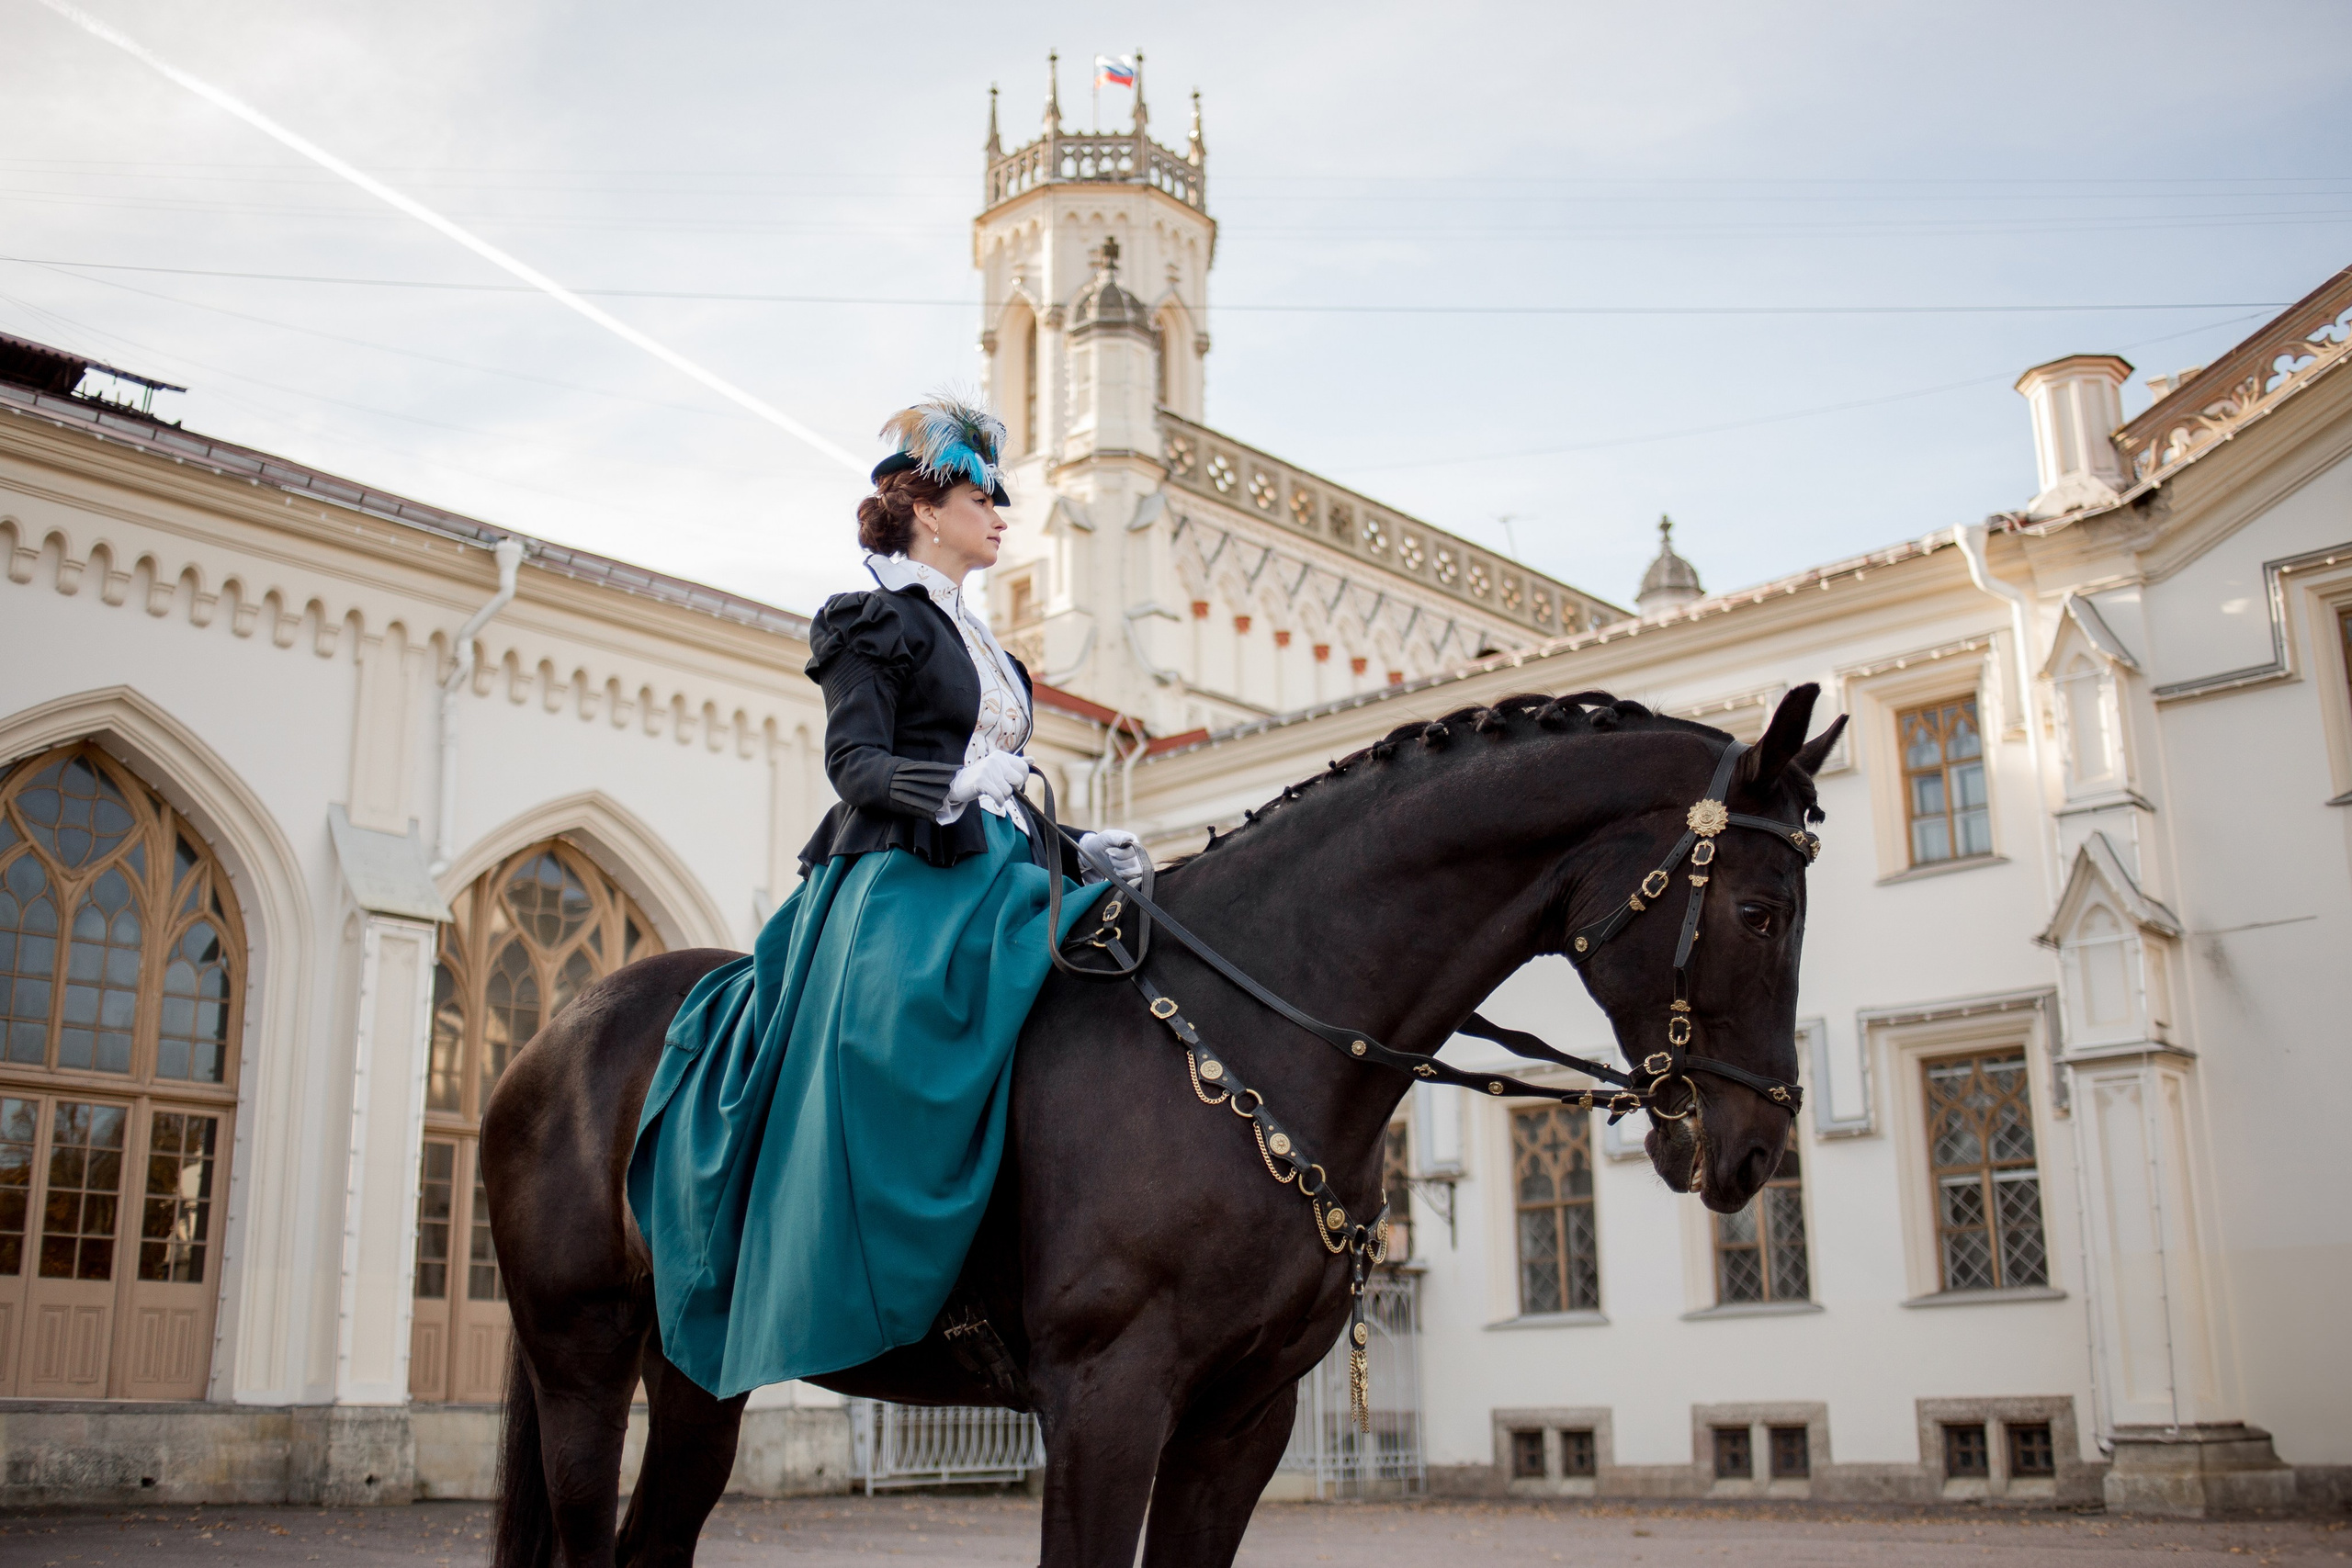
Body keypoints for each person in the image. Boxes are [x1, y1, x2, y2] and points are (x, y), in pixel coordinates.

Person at [627, 395, 1146, 1397]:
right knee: (891, 1037)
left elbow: (1001, 788)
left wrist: (1082, 846)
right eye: (981, 492)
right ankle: (898, 1272)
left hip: (1002, 867)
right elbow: (857, 766)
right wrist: (951, 784)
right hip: (899, 877)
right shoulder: (868, 620)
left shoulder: (998, 655)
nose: (1001, 510)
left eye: (1002, 494)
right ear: (922, 504)